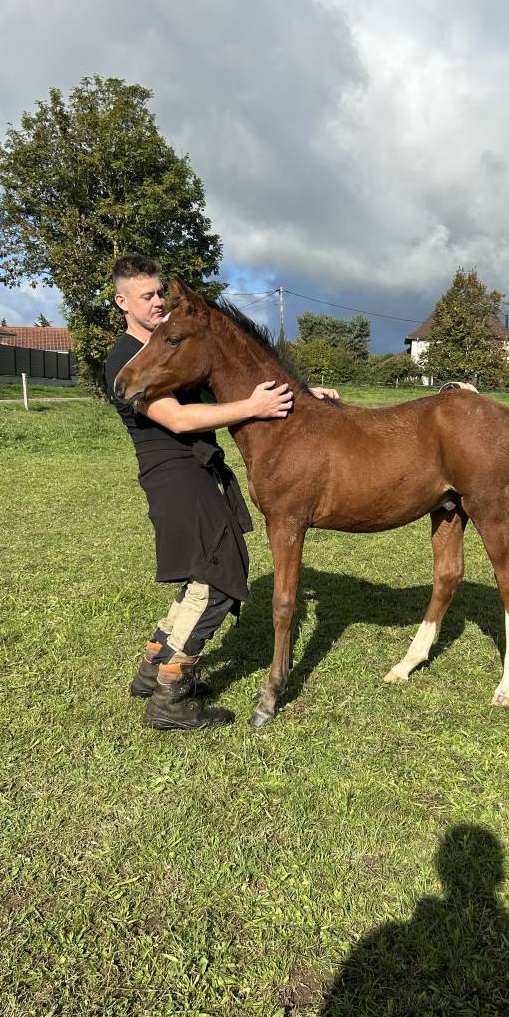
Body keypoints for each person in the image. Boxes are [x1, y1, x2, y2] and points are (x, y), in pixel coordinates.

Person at [105, 255, 337, 730]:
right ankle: (170, 695)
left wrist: (300, 396)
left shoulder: (169, 347)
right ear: (122, 302)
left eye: (159, 293)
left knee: (201, 574)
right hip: (176, 476)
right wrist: (253, 407)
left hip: (198, 470)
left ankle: (153, 667)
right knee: (216, 580)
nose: (157, 303)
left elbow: (231, 376)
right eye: (146, 296)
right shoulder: (127, 358)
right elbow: (176, 418)